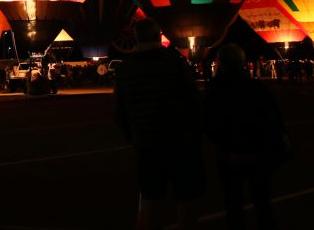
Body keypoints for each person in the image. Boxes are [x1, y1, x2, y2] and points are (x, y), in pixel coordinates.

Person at [114, 18, 204, 230]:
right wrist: (195, 132)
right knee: (186, 197)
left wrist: (133, 135)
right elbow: (194, 101)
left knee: (150, 198)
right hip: (181, 142)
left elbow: (118, 111)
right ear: (158, 36)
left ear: (135, 38)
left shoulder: (125, 69)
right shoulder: (175, 63)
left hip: (146, 144)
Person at [204, 43, 288, 230]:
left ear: (220, 63)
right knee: (262, 201)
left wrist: (221, 143)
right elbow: (275, 119)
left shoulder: (214, 92)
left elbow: (207, 123)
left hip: (228, 154)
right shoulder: (257, 87)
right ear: (242, 62)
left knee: (233, 204)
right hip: (258, 152)